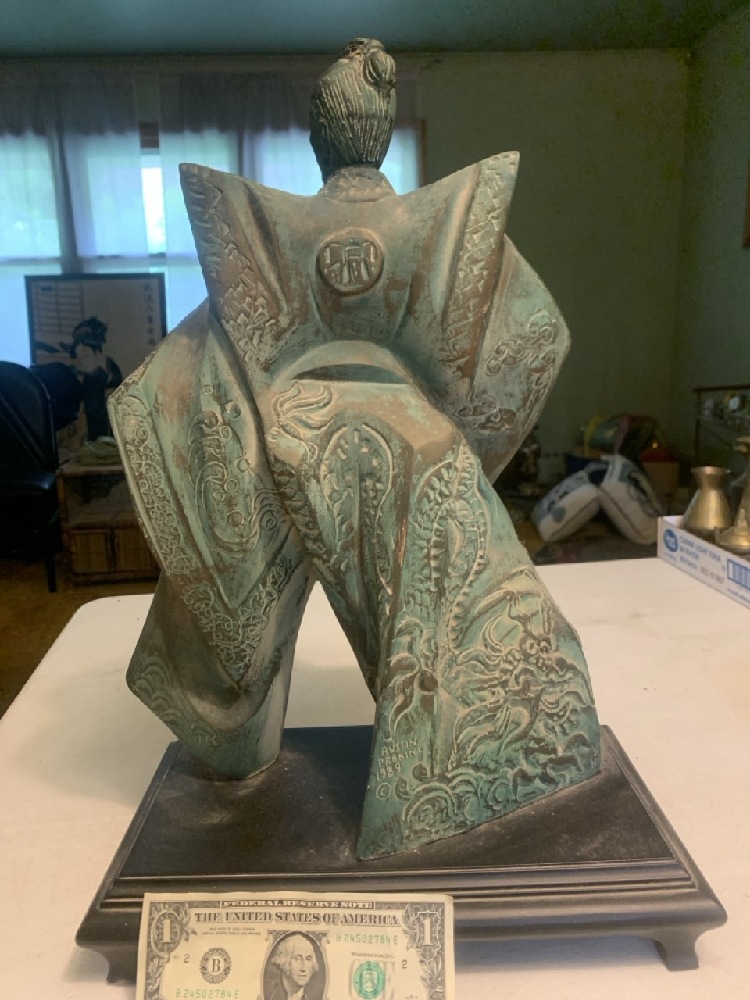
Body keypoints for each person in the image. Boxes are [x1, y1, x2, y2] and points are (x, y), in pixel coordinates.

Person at [109, 38, 599, 859]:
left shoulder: (266, 222)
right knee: (458, 632)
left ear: (318, 137)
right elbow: (534, 337)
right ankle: (450, 768)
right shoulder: (440, 217)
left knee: (242, 573)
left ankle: (236, 733)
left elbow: (201, 359)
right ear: (384, 129)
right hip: (413, 445)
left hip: (279, 430)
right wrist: (467, 455)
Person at [264, 934, 321, 1000]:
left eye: (308, 959)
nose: (304, 968)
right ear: (284, 962)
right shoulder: (270, 997)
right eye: (297, 959)